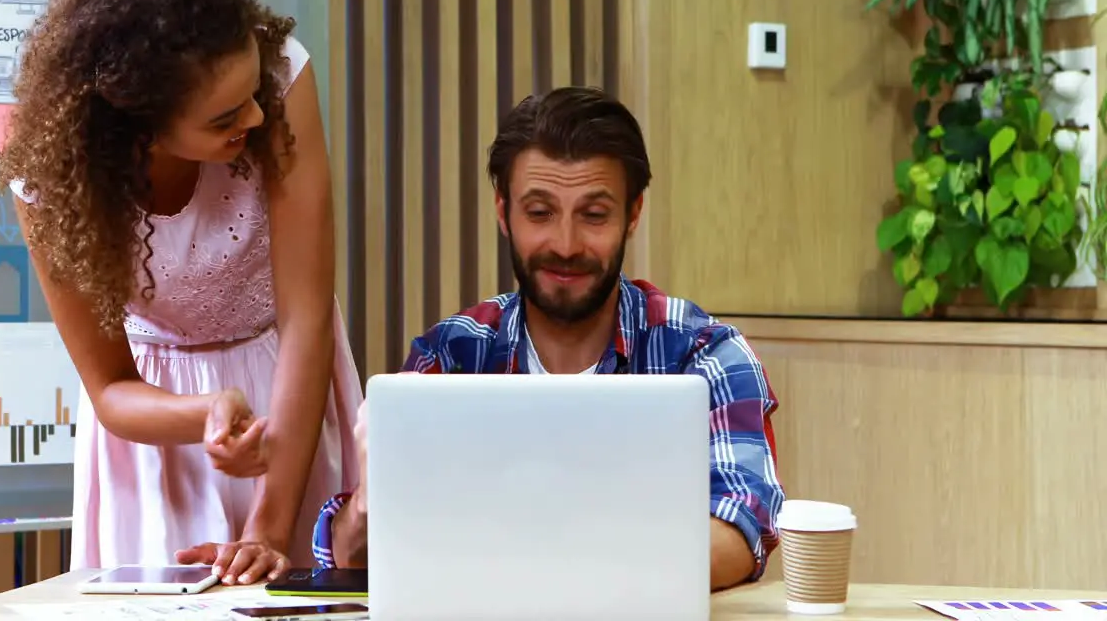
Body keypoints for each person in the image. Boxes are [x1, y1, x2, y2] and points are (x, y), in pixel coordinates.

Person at [310, 86, 786, 591]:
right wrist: (369, 499)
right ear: (503, 212)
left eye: (594, 215)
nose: (565, 244)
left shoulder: (705, 354)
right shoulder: (451, 356)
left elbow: (738, 531)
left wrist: (530, 565)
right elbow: (348, 559)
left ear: (633, 214)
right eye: (539, 213)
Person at [0, 0, 361, 586]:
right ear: (136, 129)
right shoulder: (53, 174)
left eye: (252, 93)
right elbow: (110, 388)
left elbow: (307, 315)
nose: (254, 114)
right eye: (225, 116)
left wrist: (270, 530)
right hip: (152, 432)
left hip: (287, 387)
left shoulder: (276, 82)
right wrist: (205, 414)